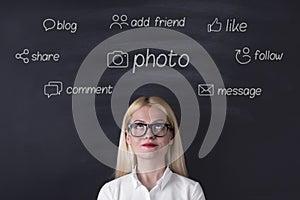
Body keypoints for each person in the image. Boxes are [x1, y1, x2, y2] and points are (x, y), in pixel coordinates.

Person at [97, 96, 205, 200]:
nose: (149, 135)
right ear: (127, 137)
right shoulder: (111, 192)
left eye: (158, 125)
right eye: (139, 125)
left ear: (171, 136)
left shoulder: (191, 191)